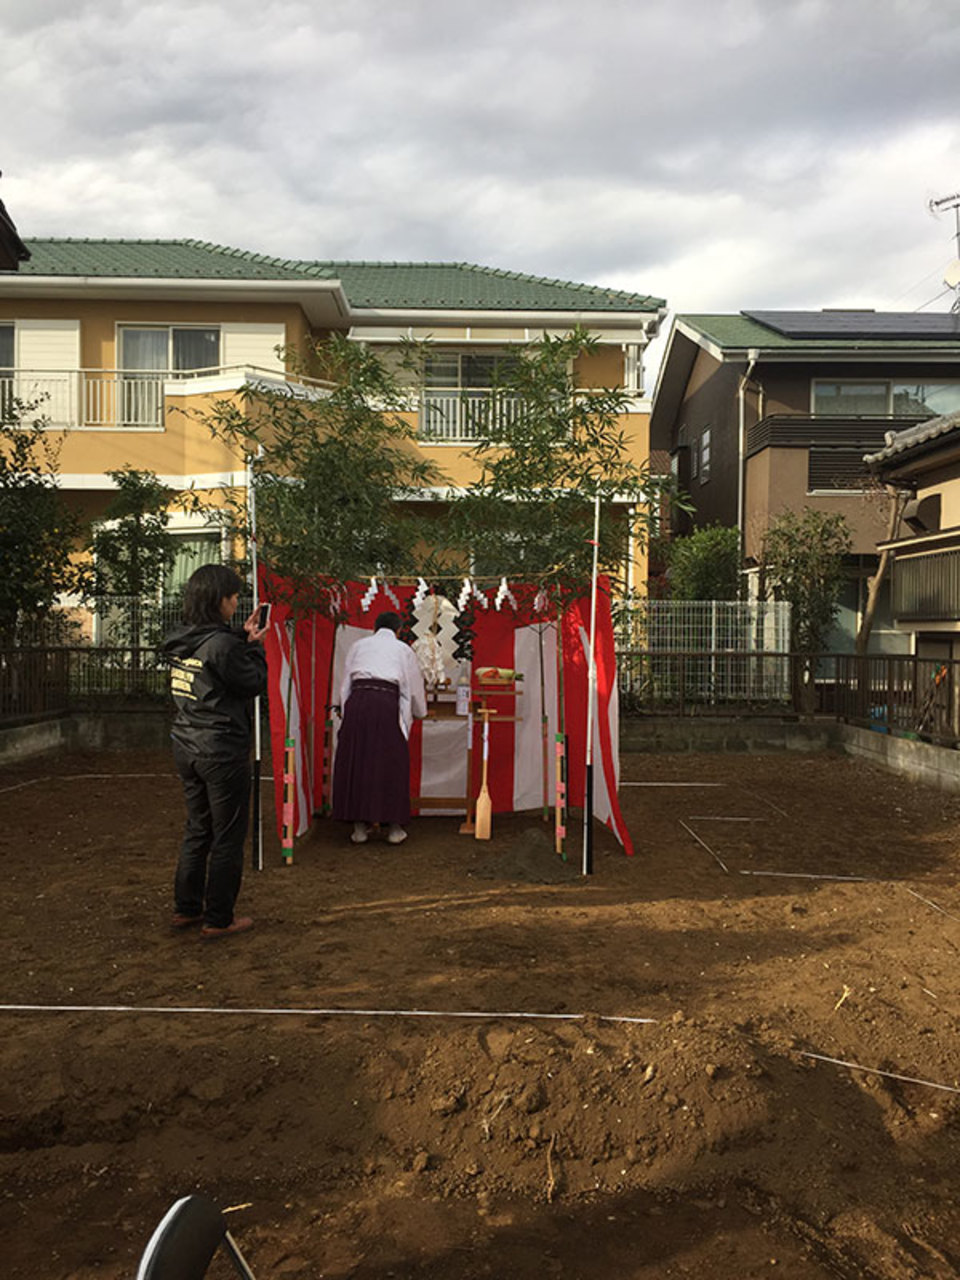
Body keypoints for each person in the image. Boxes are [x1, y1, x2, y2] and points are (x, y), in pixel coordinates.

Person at [163, 564, 269, 939]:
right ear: (218, 600)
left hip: (187, 744)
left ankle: (186, 908)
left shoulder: (181, 640)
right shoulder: (222, 646)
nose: (237, 602)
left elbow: (213, 667)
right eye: (234, 596)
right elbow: (251, 682)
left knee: (198, 828)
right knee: (227, 835)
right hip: (221, 749)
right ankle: (219, 917)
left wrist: (240, 639)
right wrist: (255, 647)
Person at [333, 611, 427, 845]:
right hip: (386, 703)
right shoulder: (403, 649)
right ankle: (394, 828)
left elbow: (346, 682)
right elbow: (413, 688)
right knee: (391, 761)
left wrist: (345, 711)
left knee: (358, 759)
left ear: (375, 628)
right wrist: (420, 711)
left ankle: (359, 829)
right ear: (398, 630)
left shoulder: (359, 646)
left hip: (357, 702)